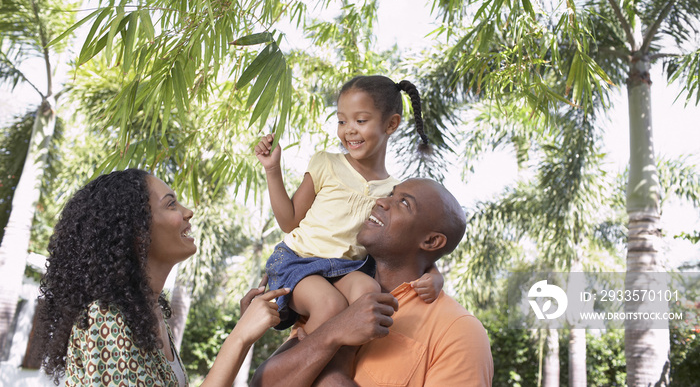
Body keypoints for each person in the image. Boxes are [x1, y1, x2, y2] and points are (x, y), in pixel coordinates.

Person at [36, 169, 289, 386]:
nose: (188, 211)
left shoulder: (150, 317)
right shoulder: (104, 318)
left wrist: (243, 332)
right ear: (136, 230)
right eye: (171, 204)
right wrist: (240, 336)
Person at [250, 178, 494, 387]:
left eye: (404, 203)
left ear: (431, 242)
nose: (381, 201)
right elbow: (262, 383)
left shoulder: (459, 331)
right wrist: (333, 333)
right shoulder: (329, 292)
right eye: (390, 194)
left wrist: (328, 371)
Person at [254, 75, 442, 333]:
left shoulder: (395, 192)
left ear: (391, 124)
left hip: (347, 269)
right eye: (342, 121)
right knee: (329, 305)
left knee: (369, 293)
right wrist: (272, 169)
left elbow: (412, 245)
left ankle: (331, 359)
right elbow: (289, 221)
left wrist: (435, 276)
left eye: (360, 120)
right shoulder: (326, 163)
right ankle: (293, 365)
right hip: (299, 261)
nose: (349, 129)